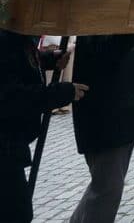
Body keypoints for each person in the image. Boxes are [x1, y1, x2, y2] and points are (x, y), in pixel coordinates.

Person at [0, 31, 86, 223]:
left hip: (11, 147)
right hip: (4, 148)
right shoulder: (5, 36)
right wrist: (58, 93)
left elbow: (20, 62)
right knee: (15, 214)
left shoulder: (14, 34)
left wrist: (47, 60)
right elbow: (11, 97)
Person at [69, 35, 134, 223]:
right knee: (107, 188)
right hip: (105, 114)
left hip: (126, 112)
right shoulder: (100, 18)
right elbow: (105, 56)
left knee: (107, 188)